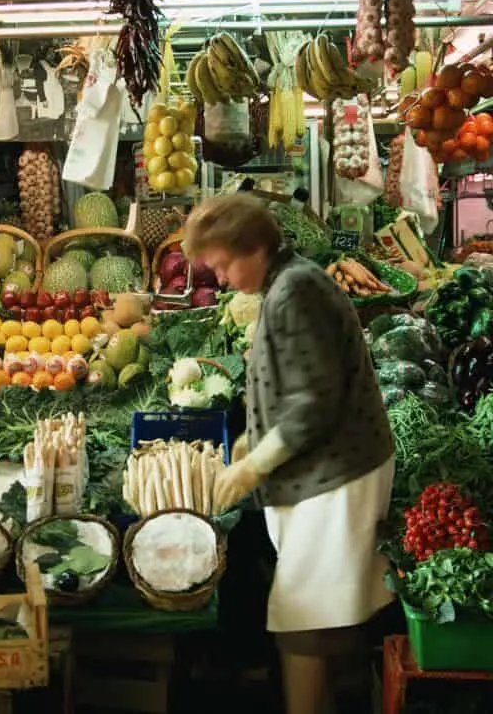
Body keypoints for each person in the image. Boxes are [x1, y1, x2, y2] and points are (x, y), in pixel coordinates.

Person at [183, 193, 394, 714]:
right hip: (326, 469)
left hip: (336, 473)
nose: (224, 279)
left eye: (224, 264)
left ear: (253, 247)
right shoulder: (285, 280)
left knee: (301, 621)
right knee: (319, 615)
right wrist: (256, 435)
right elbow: (297, 379)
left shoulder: (295, 290)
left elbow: (314, 401)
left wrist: (256, 462)